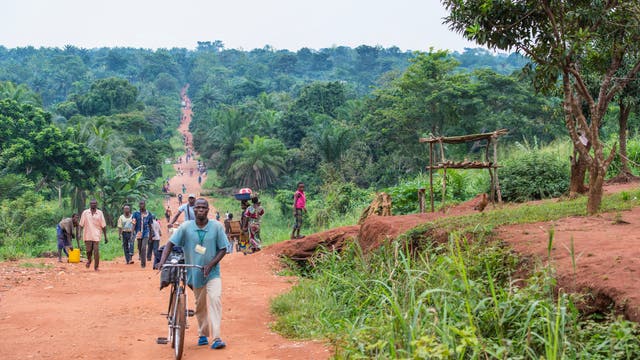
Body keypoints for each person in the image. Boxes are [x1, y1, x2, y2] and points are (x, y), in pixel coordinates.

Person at [159, 198, 229, 350]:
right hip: (194, 274)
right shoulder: (185, 227)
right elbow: (170, 244)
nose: (201, 210)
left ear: (208, 210)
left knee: (215, 300)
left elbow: (223, 248)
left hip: (212, 273)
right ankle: (203, 334)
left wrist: (210, 265)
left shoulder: (216, 227)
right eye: (198, 207)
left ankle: (216, 337)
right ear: (193, 209)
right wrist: (162, 261)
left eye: (204, 207)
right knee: (200, 305)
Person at [79, 199, 108, 271]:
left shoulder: (100, 213)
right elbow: (81, 225)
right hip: (87, 235)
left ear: (97, 204)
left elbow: (103, 225)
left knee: (96, 251)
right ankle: (89, 260)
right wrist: (79, 233)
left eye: (94, 203)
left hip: (96, 235)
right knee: (88, 251)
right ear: (90, 204)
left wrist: (105, 236)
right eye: (92, 203)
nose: (93, 205)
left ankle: (96, 267)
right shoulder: (85, 213)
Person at [132, 200, 154, 268]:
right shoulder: (135, 213)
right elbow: (133, 224)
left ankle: (143, 264)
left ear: (145, 205)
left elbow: (150, 224)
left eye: (142, 204)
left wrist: (151, 234)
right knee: (139, 247)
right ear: (139, 205)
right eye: (140, 204)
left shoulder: (148, 213)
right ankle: (141, 256)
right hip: (138, 232)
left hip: (146, 232)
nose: (141, 205)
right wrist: (132, 233)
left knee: (143, 247)